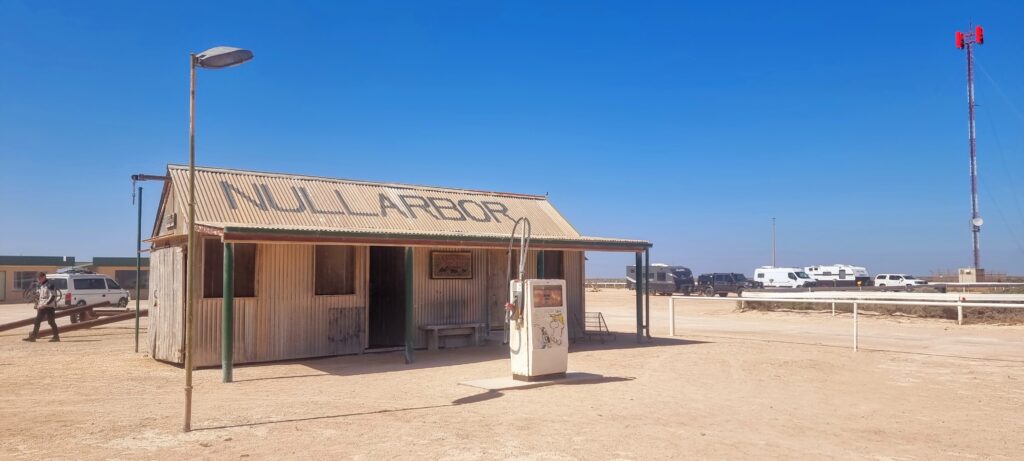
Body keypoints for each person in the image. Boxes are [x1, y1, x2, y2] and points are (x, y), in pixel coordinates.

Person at [23, 272, 60, 342]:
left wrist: (45, 304)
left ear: (44, 277)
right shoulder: (41, 286)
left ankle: (56, 337)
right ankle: (33, 337)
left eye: (40, 278)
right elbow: (41, 297)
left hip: (49, 307)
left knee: (51, 322)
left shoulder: (50, 285)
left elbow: (53, 296)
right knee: (37, 321)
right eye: (38, 278)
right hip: (42, 306)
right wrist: (38, 304)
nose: (39, 280)